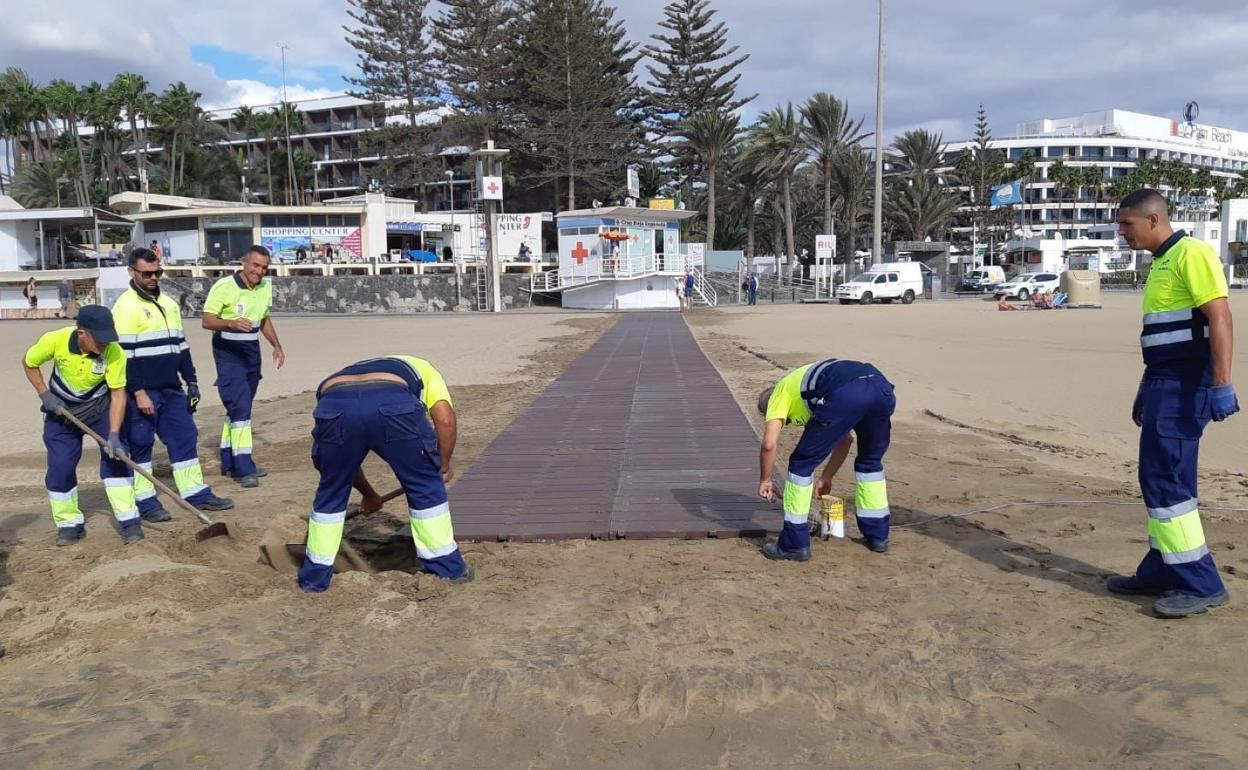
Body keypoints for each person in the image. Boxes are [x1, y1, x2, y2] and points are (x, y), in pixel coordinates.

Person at [1109, 188, 1239, 618]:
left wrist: (1222, 383)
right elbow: (1165, 337)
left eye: (1127, 223)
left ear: (1153, 220)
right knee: (1161, 479)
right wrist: (1147, 386)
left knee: (1166, 479)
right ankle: (1162, 568)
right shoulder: (1161, 262)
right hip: (1164, 383)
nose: (1121, 231)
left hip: (1185, 387)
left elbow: (1219, 317)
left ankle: (1200, 583)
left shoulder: (1191, 254)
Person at [297, 355, 472, 592]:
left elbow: (344, 466)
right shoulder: (426, 370)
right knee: (424, 486)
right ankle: (448, 569)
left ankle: (314, 579)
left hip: (335, 403)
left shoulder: (347, 373)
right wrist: (442, 466)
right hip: (393, 403)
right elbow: (445, 420)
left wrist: (368, 495)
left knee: (332, 488)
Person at [113, 248, 234, 521]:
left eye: (158, 272)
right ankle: (146, 501)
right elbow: (123, 356)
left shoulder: (168, 303)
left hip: (171, 388)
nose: (153, 278)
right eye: (147, 273)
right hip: (143, 391)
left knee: (184, 437)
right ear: (132, 272)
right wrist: (138, 392)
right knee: (141, 443)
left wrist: (191, 381)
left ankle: (195, 492)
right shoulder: (125, 307)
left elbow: (181, 346)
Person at [22, 306, 141, 545]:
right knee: (61, 467)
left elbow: (118, 394)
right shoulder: (55, 340)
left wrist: (114, 434)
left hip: (99, 410)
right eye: (100, 339)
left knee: (117, 458)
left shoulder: (114, 352)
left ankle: (129, 521)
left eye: (108, 339)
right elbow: (29, 362)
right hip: (60, 413)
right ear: (82, 333)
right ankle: (69, 525)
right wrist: (44, 394)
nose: (105, 345)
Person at [756, 359, 897, 560]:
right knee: (870, 463)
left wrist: (765, 479)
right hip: (880, 388)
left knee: (801, 463)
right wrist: (827, 477)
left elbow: (769, 445)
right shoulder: (810, 389)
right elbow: (845, 440)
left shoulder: (779, 394)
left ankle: (794, 545)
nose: (789, 423)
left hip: (847, 392)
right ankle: (878, 537)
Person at [202, 246, 285, 488]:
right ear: (244, 263)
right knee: (240, 409)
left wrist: (276, 345)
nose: (259, 271)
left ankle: (228, 460)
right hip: (228, 352)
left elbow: (264, 319)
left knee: (241, 406)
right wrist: (230, 323)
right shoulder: (224, 286)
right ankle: (244, 467)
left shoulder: (264, 287)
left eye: (264, 267)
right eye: (255, 265)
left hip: (251, 352)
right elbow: (207, 321)